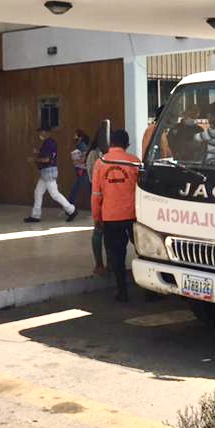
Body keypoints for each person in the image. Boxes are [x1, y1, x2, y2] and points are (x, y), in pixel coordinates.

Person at [91, 129, 139, 302]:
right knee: (143, 251)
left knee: (117, 255)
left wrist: (97, 217)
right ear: (127, 145)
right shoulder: (135, 162)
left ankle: (122, 291)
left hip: (111, 216)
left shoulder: (100, 162)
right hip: (134, 216)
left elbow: (96, 194)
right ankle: (152, 291)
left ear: (111, 143)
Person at [25, 127, 77, 224]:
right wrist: (38, 153)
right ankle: (35, 215)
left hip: (48, 172)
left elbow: (47, 159)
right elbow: (46, 155)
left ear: (47, 132)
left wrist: (34, 159)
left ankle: (71, 210)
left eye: (41, 132)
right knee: (38, 192)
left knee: (54, 194)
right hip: (46, 172)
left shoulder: (49, 143)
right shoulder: (48, 142)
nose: (40, 134)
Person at [85, 127, 108, 276]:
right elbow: (93, 179)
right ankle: (99, 264)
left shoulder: (109, 154)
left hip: (112, 199)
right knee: (98, 230)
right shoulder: (94, 155)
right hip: (99, 197)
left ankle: (111, 263)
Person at [67, 129, 91, 209]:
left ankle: (69, 205)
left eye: (75, 135)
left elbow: (84, 157)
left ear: (80, 137)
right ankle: (69, 205)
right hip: (81, 171)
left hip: (82, 171)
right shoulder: (80, 145)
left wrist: (76, 161)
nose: (74, 137)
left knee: (84, 189)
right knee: (77, 188)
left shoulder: (82, 145)